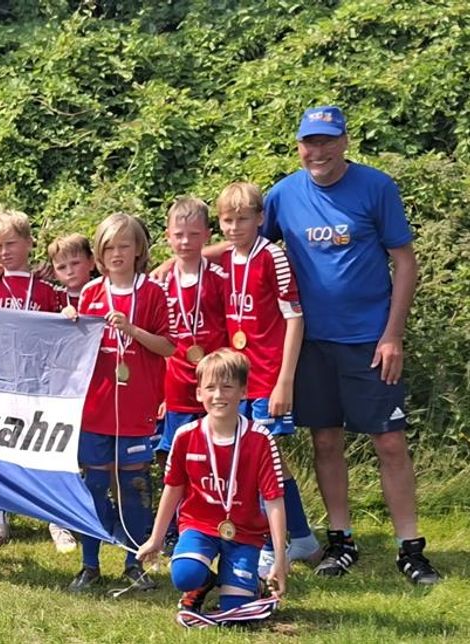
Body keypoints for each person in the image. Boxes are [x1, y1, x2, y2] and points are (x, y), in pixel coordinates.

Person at [262, 105, 440, 584]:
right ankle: (341, 541)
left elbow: (405, 262)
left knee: (390, 441)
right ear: (299, 146)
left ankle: (410, 548)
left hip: (370, 341)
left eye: (326, 141)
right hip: (310, 343)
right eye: (309, 143)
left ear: (344, 142)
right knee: (325, 440)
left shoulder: (376, 187)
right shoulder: (282, 195)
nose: (317, 151)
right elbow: (249, 248)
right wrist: (187, 258)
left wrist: (393, 334)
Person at [215, 182, 321, 577]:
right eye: (227, 220)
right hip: (238, 380)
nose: (234, 227)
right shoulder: (226, 259)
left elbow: (295, 319)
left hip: (268, 379)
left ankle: (263, 547)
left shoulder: (273, 257)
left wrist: (284, 381)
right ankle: (303, 537)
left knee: (259, 460)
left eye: (243, 219)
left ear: (261, 219)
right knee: (268, 460)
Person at [65, 213, 175, 592]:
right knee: (94, 485)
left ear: (138, 249)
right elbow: (76, 346)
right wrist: (70, 319)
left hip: (137, 407)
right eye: (109, 247)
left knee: (135, 486)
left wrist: (132, 329)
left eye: (124, 246)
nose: (116, 253)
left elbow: (168, 346)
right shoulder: (91, 292)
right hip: (96, 408)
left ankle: (134, 564)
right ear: (99, 253)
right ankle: (89, 564)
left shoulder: (154, 292)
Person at [137, 349, 287, 616]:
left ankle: (248, 585)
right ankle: (203, 583)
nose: (218, 395)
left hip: (245, 532)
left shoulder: (260, 438)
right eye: (210, 388)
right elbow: (173, 488)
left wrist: (279, 556)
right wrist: (156, 539)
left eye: (227, 387)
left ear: (243, 392)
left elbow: (274, 499)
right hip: (199, 525)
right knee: (185, 575)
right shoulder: (185, 436)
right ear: (199, 393)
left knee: (236, 612)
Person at [0, 209, 74, 554]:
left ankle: (57, 521)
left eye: (11, 244)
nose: (4, 252)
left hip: (38, 383)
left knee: (46, 450)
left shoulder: (47, 289)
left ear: (29, 243)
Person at [154, 198, 228, 554]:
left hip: (215, 387)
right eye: (179, 235)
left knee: (219, 456)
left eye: (194, 234)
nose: (185, 242)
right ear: (168, 236)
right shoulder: (158, 283)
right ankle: (172, 527)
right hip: (176, 386)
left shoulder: (220, 279)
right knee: (173, 457)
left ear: (207, 236)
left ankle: (219, 521)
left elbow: (232, 330)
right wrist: (158, 393)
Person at [47, 233, 97, 313]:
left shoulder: (104, 293)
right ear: (54, 273)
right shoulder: (53, 299)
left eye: (75, 263)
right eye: (61, 267)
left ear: (91, 262)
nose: (70, 271)